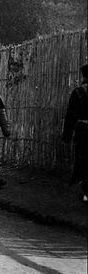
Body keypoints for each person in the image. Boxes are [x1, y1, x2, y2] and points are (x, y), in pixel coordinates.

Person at [62, 63, 88, 203]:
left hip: (83, 131)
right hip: (82, 131)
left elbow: (70, 116)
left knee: (82, 160)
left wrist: (67, 135)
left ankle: (85, 191)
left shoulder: (78, 93)